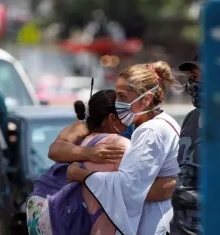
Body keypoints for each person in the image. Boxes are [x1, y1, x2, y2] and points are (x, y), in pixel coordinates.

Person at [52, 61, 181, 235]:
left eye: (122, 97)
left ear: (147, 99)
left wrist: (81, 175)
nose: (118, 103)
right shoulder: (161, 122)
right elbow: (55, 149)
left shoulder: (150, 131)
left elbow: (128, 188)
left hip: (153, 223)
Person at [27, 89, 173, 235]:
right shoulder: (109, 139)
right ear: (112, 118)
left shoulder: (143, 128)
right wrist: (90, 154)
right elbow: (54, 150)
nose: (127, 116)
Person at [170, 55, 202, 235]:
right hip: (181, 227)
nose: (194, 83)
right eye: (193, 77)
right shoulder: (192, 118)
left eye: (200, 76)